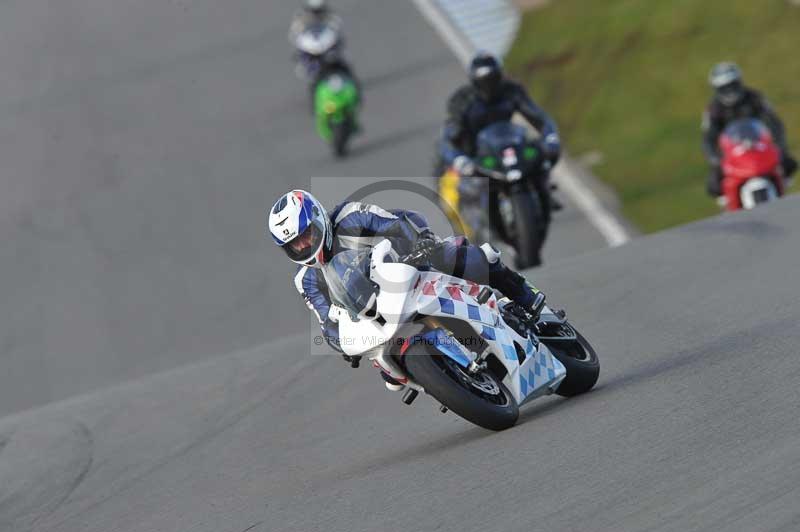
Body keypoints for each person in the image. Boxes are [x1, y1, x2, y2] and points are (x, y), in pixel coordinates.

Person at [268, 190, 545, 389]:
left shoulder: (349, 216)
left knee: (466, 258)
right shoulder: (304, 278)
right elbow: (325, 319)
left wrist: (420, 243)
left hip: (411, 265)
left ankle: (528, 300)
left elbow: (396, 224)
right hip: (375, 311)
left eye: (307, 235)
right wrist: (341, 343)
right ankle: (449, 377)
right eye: (295, 244)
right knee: (390, 377)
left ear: (318, 220)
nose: (304, 246)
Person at [435, 52, 563, 220]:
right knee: (451, 199)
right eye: (485, 81)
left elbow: (538, 117)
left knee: (539, 156)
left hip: (507, 144)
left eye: (493, 79)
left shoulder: (512, 91)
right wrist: (459, 158)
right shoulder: (462, 101)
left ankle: (543, 190)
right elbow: (448, 138)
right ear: (475, 81)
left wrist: (550, 137)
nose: (490, 86)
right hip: (475, 155)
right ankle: (469, 226)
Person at [702, 62, 797, 197]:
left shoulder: (755, 98)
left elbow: (773, 123)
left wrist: (779, 146)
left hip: (759, 147)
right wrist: (715, 159)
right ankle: (728, 201)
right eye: (725, 88)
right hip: (733, 154)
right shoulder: (714, 109)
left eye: (732, 85)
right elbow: (709, 138)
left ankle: (781, 187)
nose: (730, 91)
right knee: (714, 185)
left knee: (789, 164)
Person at [288, 0, 344, 80]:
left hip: (326, 43)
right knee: (303, 67)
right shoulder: (301, 17)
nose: (316, 13)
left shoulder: (330, 15)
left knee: (339, 58)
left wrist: (334, 33)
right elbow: (294, 33)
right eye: (314, 11)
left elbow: (337, 25)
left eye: (318, 10)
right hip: (310, 45)